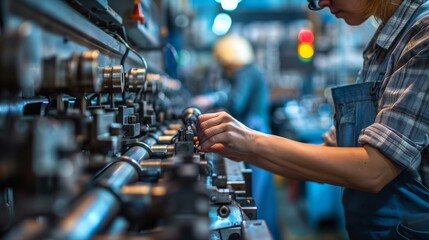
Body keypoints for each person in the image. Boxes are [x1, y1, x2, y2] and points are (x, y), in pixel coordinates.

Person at [197, 0, 429, 239]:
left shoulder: (423, 33)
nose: (322, 3)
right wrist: (243, 151)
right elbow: (328, 152)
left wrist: (252, 142)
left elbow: (375, 170)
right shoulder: (383, 46)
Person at [190, 35, 281, 239]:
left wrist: (212, 98)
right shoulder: (251, 71)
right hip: (255, 131)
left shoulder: (246, 73)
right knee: (261, 196)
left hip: (254, 132)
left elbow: (237, 102)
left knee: (254, 199)